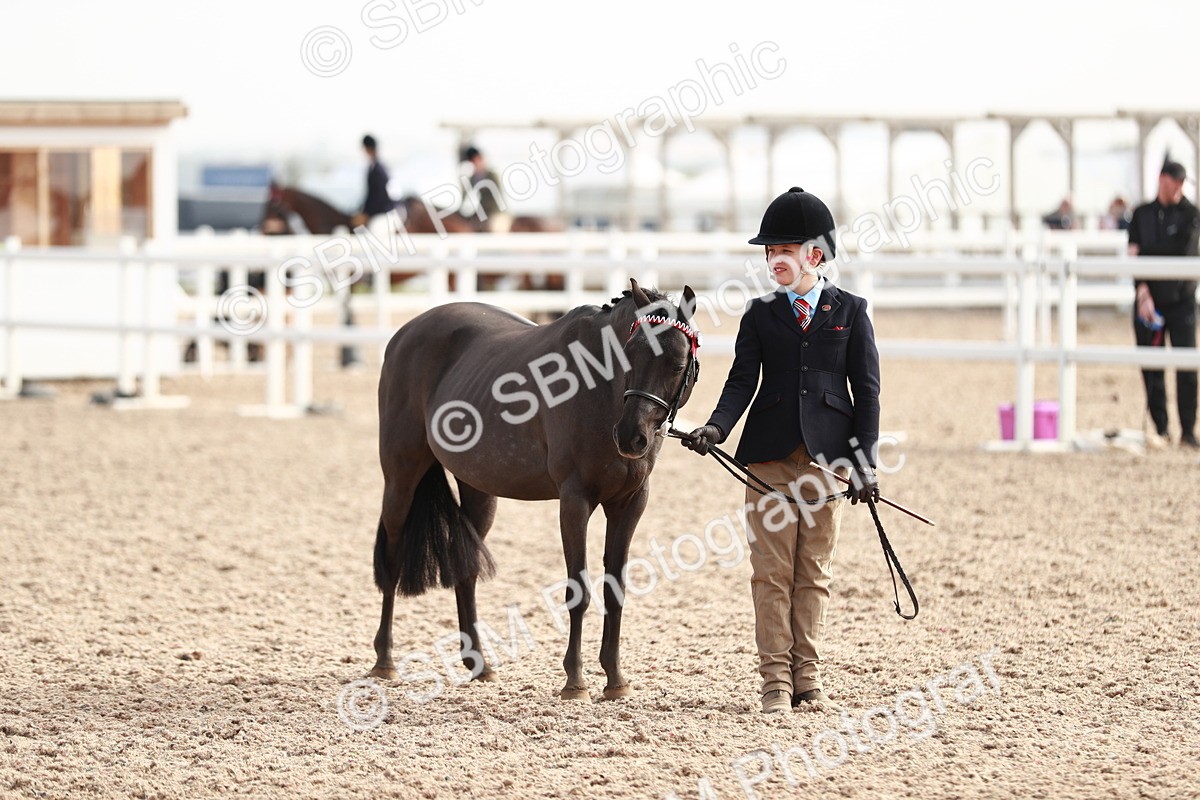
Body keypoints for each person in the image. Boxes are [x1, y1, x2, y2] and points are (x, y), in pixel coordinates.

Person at [682, 187, 881, 714]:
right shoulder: (761, 314)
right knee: (770, 573)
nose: (773, 261)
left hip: (825, 463)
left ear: (815, 255)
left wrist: (864, 465)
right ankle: (774, 680)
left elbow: (867, 391)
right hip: (768, 459)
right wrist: (716, 429)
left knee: (813, 573)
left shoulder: (852, 312)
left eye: (783, 251)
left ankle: (807, 677)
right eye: (769, 253)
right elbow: (740, 382)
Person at [1128, 159, 1200, 449]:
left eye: (1180, 182)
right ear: (1162, 180)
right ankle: (1161, 427)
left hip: (1181, 300)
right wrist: (1142, 290)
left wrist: (1144, 253)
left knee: (1187, 367)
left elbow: (1183, 252)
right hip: (1149, 300)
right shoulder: (1142, 213)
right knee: (1151, 365)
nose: (1176, 187)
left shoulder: (1191, 214)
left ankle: (1188, 431)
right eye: (1172, 181)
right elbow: (1131, 258)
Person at [460, 145, 511, 233]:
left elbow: (496, 197)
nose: (475, 165)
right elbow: (466, 197)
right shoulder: (473, 178)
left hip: (496, 212)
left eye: (476, 161)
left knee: (494, 228)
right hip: (482, 213)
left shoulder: (492, 175)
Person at [358, 134, 394, 233]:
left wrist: (367, 214)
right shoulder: (373, 167)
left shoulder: (378, 170)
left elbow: (379, 196)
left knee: (373, 232)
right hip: (380, 210)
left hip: (384, 212)